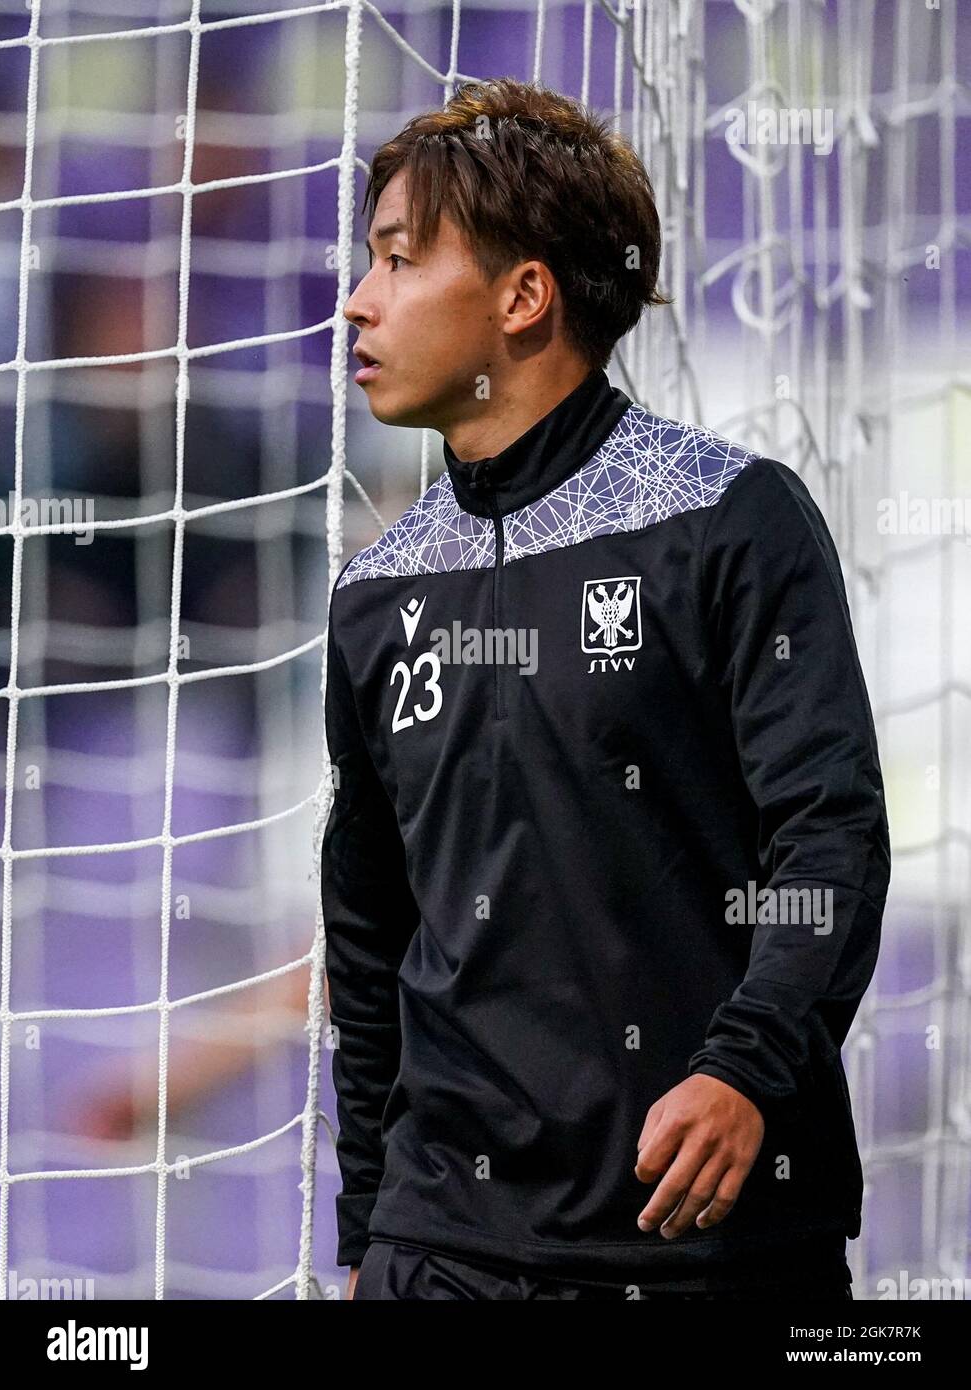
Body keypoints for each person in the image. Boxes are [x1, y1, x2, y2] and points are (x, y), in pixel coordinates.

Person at [322, 77, 890, 1301]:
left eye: (399, 260)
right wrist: (365, 1234)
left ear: (523, 295)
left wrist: (745, 1069)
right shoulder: (374, 595)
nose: (358, 303)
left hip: (704, 1247)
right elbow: (368, 941)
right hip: (444, 1256)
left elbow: (828, 842)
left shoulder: (729, 522)